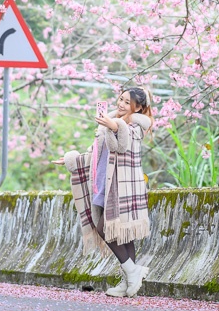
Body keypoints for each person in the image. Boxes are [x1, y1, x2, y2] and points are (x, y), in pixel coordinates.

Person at [53, 86, 153, 298]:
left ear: (139, 107)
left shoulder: (137, 127)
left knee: (105, 228)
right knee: (122, 234)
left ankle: (132, 271)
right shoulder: (108, 123)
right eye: (120, 99)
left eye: (127, 102)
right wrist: (72, 160)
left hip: (123, 187)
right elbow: (95, 153)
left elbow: (122, 146)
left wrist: (114, 127)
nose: (121, 104)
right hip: (104, 184)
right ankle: (129, 282)